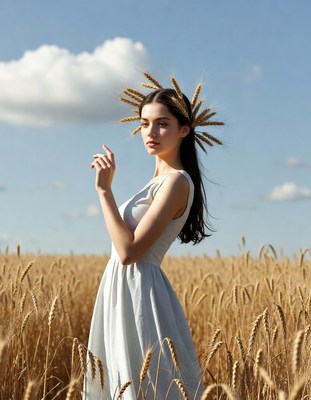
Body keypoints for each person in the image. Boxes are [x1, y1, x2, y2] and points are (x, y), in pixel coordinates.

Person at [83, 73, 224, 399]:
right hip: (123, 287)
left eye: (162, 123)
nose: (151, 132)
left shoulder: (177, 182)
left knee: (144, 385)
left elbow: (129, 251)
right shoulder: (155, 183)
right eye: (145, 123)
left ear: (184, 129)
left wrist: (104, 190)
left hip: (140, 290)